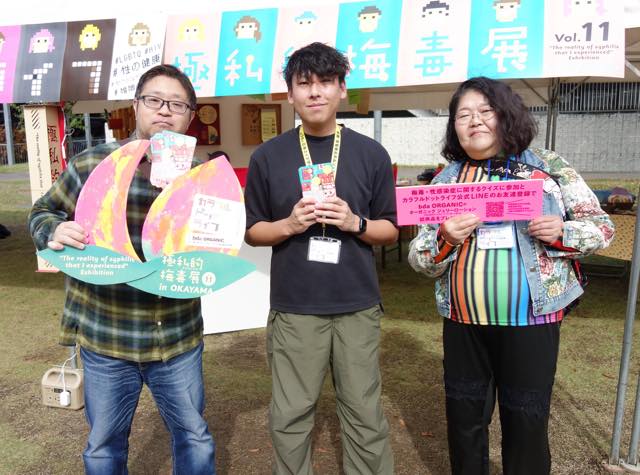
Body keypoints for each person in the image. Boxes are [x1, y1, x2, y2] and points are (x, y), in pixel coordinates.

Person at [408, 76, 614, 475]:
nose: (475, 121)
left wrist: (563, 231)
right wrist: (445, 238)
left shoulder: (549, 168)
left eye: (486, 111)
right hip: (464, 323)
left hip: (532, 322)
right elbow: (420, 259)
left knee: (526, 422)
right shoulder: (446, 180)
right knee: (465, 422)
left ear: (506, 116)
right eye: (463, 115)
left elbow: (602, 228)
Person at [28, 64, 216, 474]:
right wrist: (53, 229)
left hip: (176, 336)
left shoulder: (201, 175)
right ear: (136, 106)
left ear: (189, 116)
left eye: (177, 105)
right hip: (107, 336)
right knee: (103, 447)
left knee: (195, 439)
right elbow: (42, 212)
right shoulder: (93, 164)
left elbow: (216, 244)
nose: (164, 110)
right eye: (154, 100)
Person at [244, 42, 397, 474]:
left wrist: (355, 222)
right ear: (289, 93)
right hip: (296, 308)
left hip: (357, 306)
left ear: (342, 89)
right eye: (304, 83)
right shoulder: (268, 156)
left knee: (365, 413)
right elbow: (253, 231)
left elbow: (389, 229)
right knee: (290, 414)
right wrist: (290, 224)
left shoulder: (371, 154)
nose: (315, 92)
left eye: (326, 82)